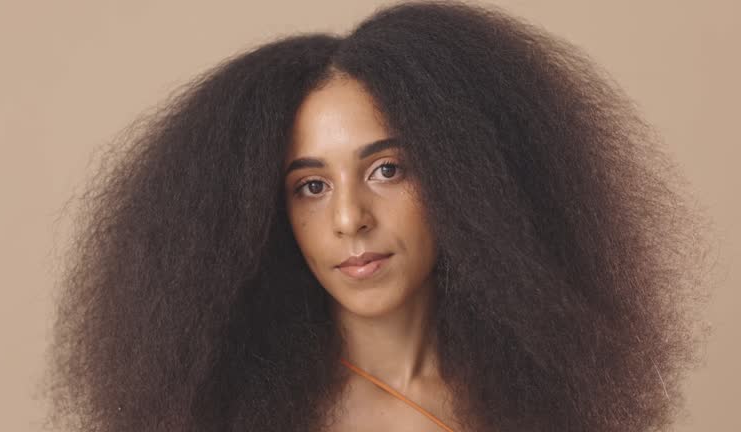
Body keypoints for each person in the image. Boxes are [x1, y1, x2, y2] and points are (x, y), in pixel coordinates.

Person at [42, 1, 713, 431]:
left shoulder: (555, 400)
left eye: (386, 170)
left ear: (469, 183)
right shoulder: (226, 416)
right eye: (309, 186)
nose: (349, 218)